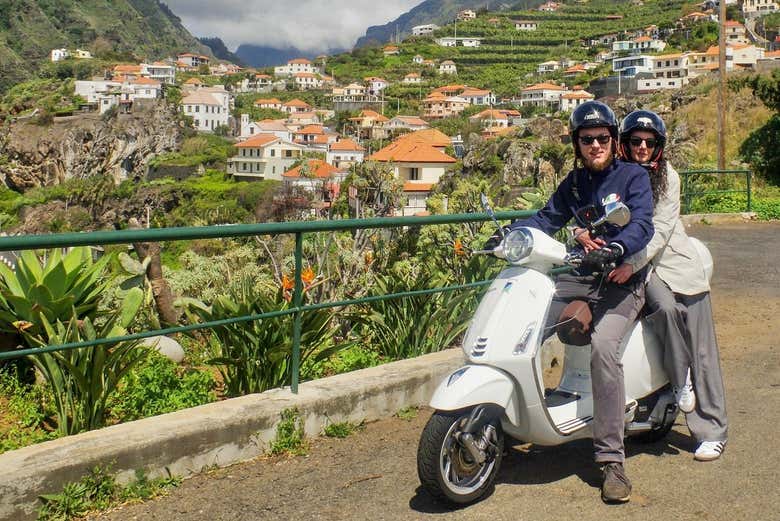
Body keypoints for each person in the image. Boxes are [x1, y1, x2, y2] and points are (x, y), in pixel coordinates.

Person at [501, 101, 655, 503]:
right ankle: (507, 417)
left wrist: (618, 247)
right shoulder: (573, 184)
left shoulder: (634, 176)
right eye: (587, 139)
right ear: (577, 143)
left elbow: (641, 223)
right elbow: (545, 219)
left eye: (603, 138)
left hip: (622, 281)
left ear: (614, 140)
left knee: (605, 347)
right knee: (526, 320)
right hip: (580, 276)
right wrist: (509, 234)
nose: (596, 145)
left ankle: (611, 460)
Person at [605, 109, 728, 461]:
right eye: (635, 141)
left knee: (701, 349)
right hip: (632, 269)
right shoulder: (615, 174)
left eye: (649, 142)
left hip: (670, 266)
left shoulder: (668, 176)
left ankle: (712, 429)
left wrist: (629, 262)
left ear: (659, 146)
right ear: (623, 143)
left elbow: (658, 230)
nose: (642, 147)